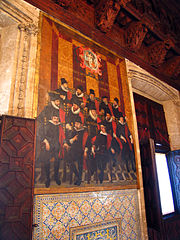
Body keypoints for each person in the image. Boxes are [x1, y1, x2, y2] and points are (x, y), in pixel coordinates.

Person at [64, 116, 88, 186]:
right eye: (75, 124)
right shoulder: (73, 131)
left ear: (81, 124)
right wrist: (73, 139)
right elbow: (68, 141)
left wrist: (86, 151)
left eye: (77, 124)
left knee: (80, 164)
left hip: (81, 150)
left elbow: (88, 143)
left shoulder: (84, 132)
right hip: (73, 150)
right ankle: (78, 176)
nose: (76, 125)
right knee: (68, 160)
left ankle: (79, 179)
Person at [40, 110, 62, 188]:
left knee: (57, 161)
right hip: (48, 146)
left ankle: (56, 177)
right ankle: (48, 178)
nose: (56, 120)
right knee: (47, 161)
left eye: (57, 119)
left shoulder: (59, 126)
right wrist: (46, 142)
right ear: (52, 118)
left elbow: (62, 136)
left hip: (56, 147)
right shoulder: (47, 125)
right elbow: (42, 135)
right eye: (54, 118)